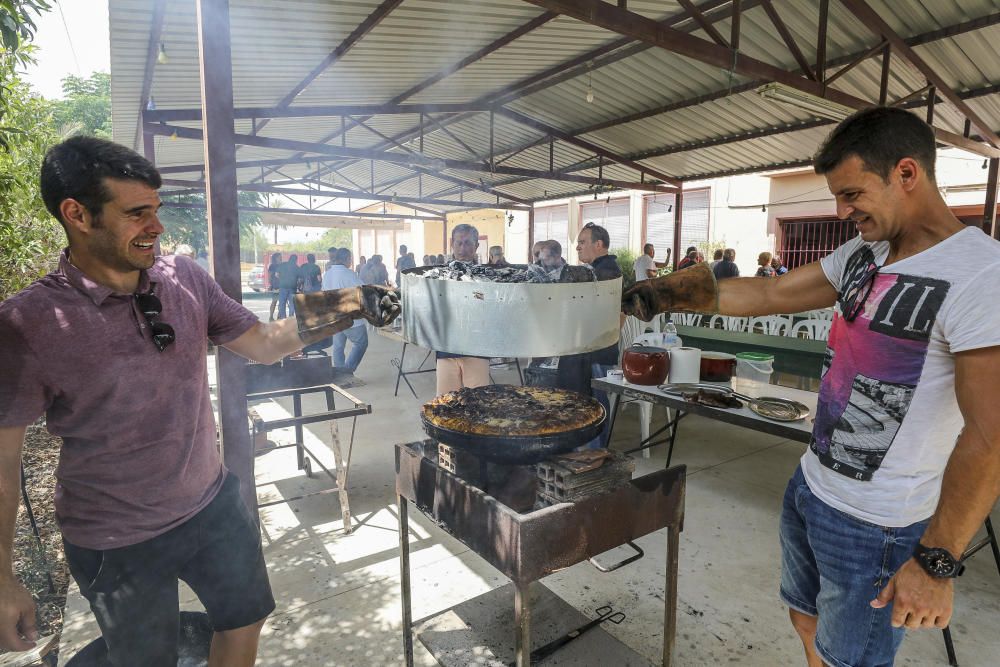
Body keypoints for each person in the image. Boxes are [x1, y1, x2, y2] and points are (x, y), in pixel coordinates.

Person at [622, 106, 1000, 667]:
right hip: (812, 485)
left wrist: (936, 560)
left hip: (880, 523)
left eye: (852, 194)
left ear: (906, 173)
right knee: (805, 619)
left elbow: (990, 436)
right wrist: (660, 293)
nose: (842, 211)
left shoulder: (981, 274)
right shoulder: (864, 252)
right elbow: (773, 295)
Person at [0, 136, 398, 666]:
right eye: (136, 213)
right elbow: (3, 462)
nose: (157, 226)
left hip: (211, 502)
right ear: (77, 214)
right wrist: (2, 578)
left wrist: (347, 302)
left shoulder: (183, 278)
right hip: (114, 535)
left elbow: (260, 341)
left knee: (245, 620)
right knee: (147, 659)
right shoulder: (30, 323)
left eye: (157, 210)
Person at [556, 222, 621, 447]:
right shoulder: (597, 270)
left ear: (599, 244)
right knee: (584, 405)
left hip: (596, 354)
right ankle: (585, 450)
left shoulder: (607, 272)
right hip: (585, 350)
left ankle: (593, 455)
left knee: (594, 407)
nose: (577, 248)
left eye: (582, 242)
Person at [436, 224, 490, 395]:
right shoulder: (439, 275)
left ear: (476, 246)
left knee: (477, 402)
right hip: (446, 348)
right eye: (458, 243)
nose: (462, 248)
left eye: (467, 243)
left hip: (477, 348)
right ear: (452, 244)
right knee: (446, 403)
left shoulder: (488, 276)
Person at [322, 248, 369, 374]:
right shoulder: (349, 274)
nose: (351, 261)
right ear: (347, 258)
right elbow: (363, 291)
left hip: (335, 316)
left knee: (338, 346)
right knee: (361, 343)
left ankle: (338, 371)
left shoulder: (327, 274)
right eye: (351, 259)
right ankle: (347, 371)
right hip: (350, 317)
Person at [274, 253, 300, 319]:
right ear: (296, 260)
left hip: (283, 287)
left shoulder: (282, 265)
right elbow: (299, 279)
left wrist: (282, 279)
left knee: (282, 303)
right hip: (292, 288)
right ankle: (290, 317)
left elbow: (276, 275)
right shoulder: (296, 267)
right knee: (292, 304)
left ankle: (283, 318)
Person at [266, 252, 282, 322]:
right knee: (275, 301)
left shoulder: (282, 265)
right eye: (279, 257)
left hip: (282, 285)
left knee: (281, 302)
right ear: (275, 258)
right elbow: (269, 276)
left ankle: (279, 317)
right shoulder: (272, 266)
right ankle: (271, 317)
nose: (281, 258)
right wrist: (271, 284)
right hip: (276, 286)